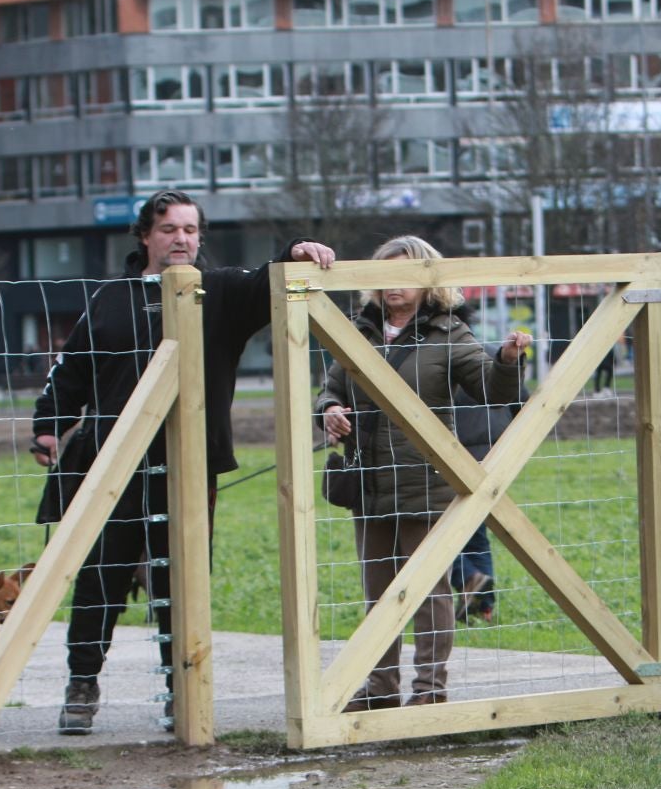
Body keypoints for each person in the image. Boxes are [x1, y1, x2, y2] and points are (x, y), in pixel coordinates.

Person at [31, 190, 335, 734]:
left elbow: (268, 277)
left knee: (184, 582)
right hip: (112, 467)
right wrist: (48, 427)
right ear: (146, 236)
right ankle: (82, 685)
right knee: (101, 580)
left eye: (191, 230)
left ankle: (183, 693)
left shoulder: (220, 293)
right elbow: (70, 372)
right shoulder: (109, 298)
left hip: (191, 465)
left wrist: (296, 249)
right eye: (170, 229)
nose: (182, 240)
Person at [317, 235, 529, 709]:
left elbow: (492, 389)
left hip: (427, 485)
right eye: (385, 274)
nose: (394, 285)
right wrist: (329, 409)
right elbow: (329, 387)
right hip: (368, 485)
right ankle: (380, 689)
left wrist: (508, 361)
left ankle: (430, 691)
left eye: (406, 274)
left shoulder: (449, 333)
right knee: (379, 594)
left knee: (430, 594)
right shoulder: (357, 331)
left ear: (428, 280)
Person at [450, 368, 525, 623]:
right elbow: (521, 401)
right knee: (478, 530)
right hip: (497, 451)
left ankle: (468, 577)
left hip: (456, 451)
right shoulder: (495, 356)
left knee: (438, 529)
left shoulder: (437, 356)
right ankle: (485, 606)